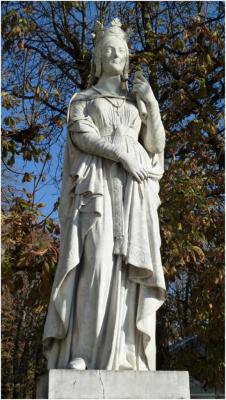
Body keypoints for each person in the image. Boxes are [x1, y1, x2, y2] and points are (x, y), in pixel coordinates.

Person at [43, 19, 166, 372]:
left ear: (128, 59)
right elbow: (82, 135)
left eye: (121, 50)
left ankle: (128, 354)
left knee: (130, 272)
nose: (115, 54)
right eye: (107, 49)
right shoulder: (82, 99)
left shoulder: (136, 101)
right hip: (96, 187)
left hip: (136, 190)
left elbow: (155, 146)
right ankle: (85, 351)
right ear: (97, 58)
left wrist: (152, 104)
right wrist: (123, 154)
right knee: (95, 265)